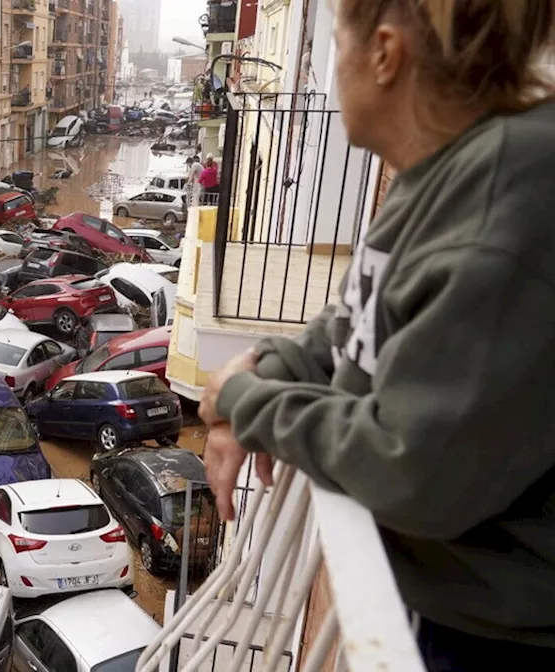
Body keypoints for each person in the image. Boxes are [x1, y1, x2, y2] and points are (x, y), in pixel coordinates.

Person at [197, 1, 555, 670]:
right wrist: (267, 373)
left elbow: (410, 466)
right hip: (452, 613)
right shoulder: (442, 173)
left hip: (500, 645)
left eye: (337, 45)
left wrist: (244, 400)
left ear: (386, 54)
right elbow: (347, 328)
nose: (330, 71)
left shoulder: (507, 195)